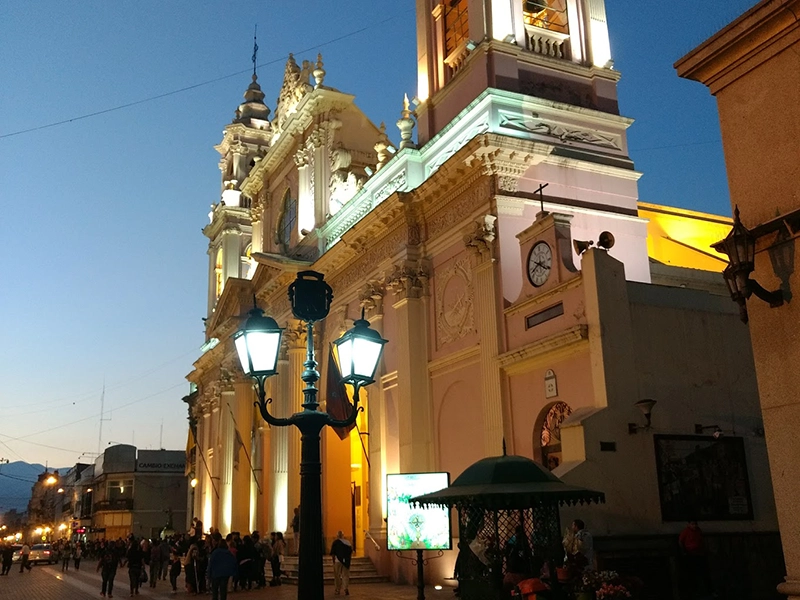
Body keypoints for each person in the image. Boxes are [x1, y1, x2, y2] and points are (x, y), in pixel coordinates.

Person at [679, 520, 714, 597]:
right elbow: (680, 541)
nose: (694, 526)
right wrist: (684, 551)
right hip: (690, 554)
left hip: (700, 554)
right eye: (692, 524)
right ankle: (695, 591)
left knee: (704, 572)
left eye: (695, 524)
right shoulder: (686, 531)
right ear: (689, 524)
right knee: (693, 574)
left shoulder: (698, 531)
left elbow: (701, 540)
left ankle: (708, 590)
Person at [208, 536, 238, 600]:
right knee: (223, 590)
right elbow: (233, 562)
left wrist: (209, 574)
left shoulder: (215, 552)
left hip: (215, 573)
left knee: (215, 590)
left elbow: (211, 563)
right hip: (225, 573)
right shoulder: (228, 553)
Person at [330, 530, 353, 596]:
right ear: (343, 535)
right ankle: (345, 589)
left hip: (337, 561)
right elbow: (350, 552)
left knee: (337, 576)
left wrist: (333, 561)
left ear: (337, 536)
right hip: (346, 562)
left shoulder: (335, 542)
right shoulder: (348, 542)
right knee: (345, 575)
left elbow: (333, 553)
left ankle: (337, 589)